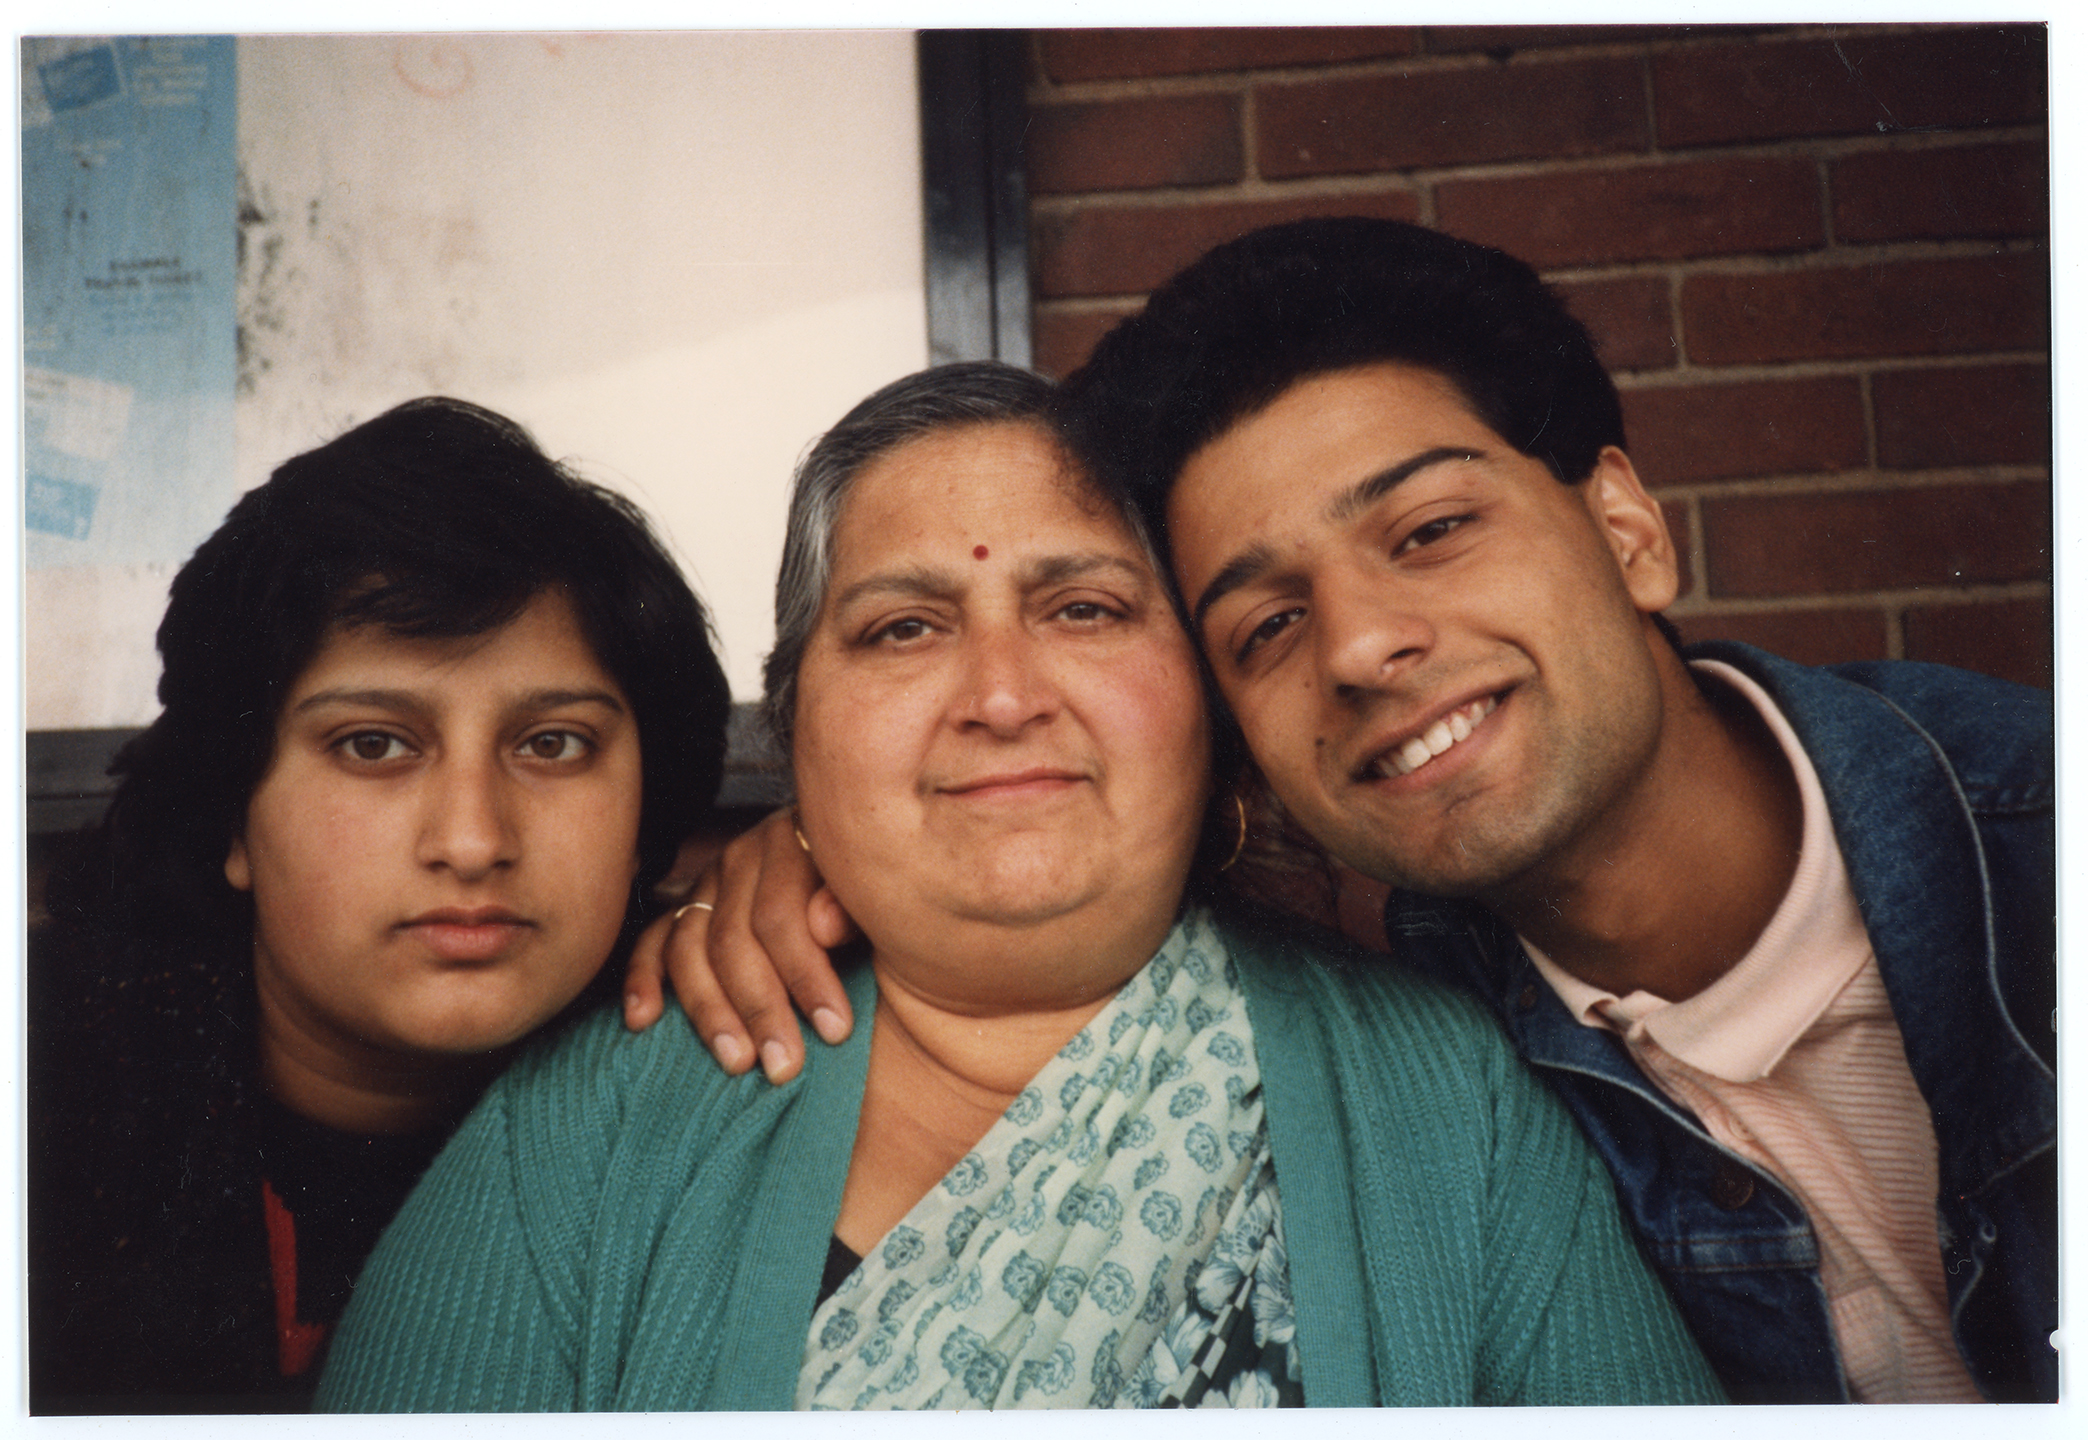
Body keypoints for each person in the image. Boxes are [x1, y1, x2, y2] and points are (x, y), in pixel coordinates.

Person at [649, 221, 2055, 1405]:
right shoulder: (1433, 1016)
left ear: (1628, 530)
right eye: (1266, 625)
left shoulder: (2044, 856)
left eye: (1431, 531)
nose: (1365, 647)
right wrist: (829, 841)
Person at [317, 364, 1722, 1411]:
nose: (1000, 695)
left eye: (1083, 609)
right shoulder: (590, 1134)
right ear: (798, 732)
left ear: (1205, 705)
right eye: (904, 628)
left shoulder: (1442, 1104)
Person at [28, 397, 732, 1412]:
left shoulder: (724, 1063)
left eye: (553, 744)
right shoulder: (43, 1088)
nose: (473, 840)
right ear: (234, 811)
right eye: (373, 744)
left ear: (642, 817)